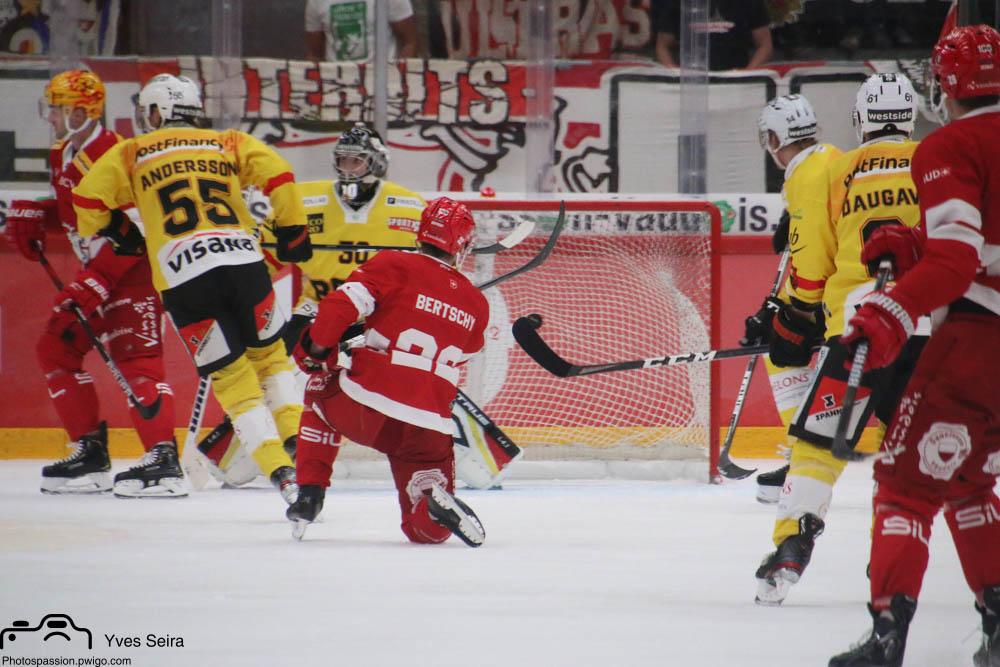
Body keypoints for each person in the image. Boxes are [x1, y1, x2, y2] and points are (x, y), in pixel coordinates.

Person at [829, 25, 1000, 667]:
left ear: (945, 85)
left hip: (978, 344)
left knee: (904, 484)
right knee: (966, 479)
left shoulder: (949, 144)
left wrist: (889, 312)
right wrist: (915, 248)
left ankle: (886, 638)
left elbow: (959, 261)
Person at [71, 73, 312, 506]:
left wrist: (120, 230)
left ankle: (281, 473)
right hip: (244, 264)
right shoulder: (229, 141)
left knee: (234, 380)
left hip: (185, 278)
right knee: (272, 361)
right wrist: (293, 227)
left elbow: (86, 198)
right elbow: (279, 174)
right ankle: (302, 450)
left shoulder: (131, 151)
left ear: (158, 112)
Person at [754, 72, 928, 606]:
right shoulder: (937, 161)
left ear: (859, 120)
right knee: (921, 456)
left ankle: (792, 546)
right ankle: (902, 562)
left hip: (857, 330)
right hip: (926, 330)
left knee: (815, 446)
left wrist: (795, 316)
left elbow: (812, 263)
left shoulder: (839, 170)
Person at [3, 69, 182, 498]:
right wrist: (39, 215)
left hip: (132, 276)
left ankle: (164, 460)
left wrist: (99, 280)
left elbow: (137, 228)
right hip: (98, 276)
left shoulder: (116, 154)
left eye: (58, 109)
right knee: (55, 348)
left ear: (83, 111)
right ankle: (91, 452)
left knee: (137, 361)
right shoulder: (63, 153)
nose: (51, 117)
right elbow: (81, 216)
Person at [286, 197, 488, 547]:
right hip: (429, 425)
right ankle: (432, 510)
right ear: (462, 245)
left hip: (368, 406)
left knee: (318, 389)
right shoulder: (477, 302)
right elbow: (468, 350)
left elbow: (339, 306)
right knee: (423, 533)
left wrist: (318, 350)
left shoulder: (394, 263)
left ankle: (309, 494)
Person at [741, 94, 841, 504]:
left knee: (781, 348)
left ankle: (802, 460)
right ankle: (801, 454)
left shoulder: (804, 176)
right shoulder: (829, 157)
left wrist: (797, 310)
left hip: (837, 290)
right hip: (851, 280)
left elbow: (813, 254)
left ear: (776, 138)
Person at [654, 0, 773, 70]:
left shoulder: (750, 2)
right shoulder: (677, 2)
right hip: (691, 83)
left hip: (736, 80)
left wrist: (748, 73)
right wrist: (674, 73)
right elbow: (662, 46)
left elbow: (765, 45)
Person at [305, 0, 418, 62]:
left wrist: (398, 79)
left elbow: (410, 43)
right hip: (337, 84)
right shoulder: (316, 2)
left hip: (382, 83)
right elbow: (315, 54)